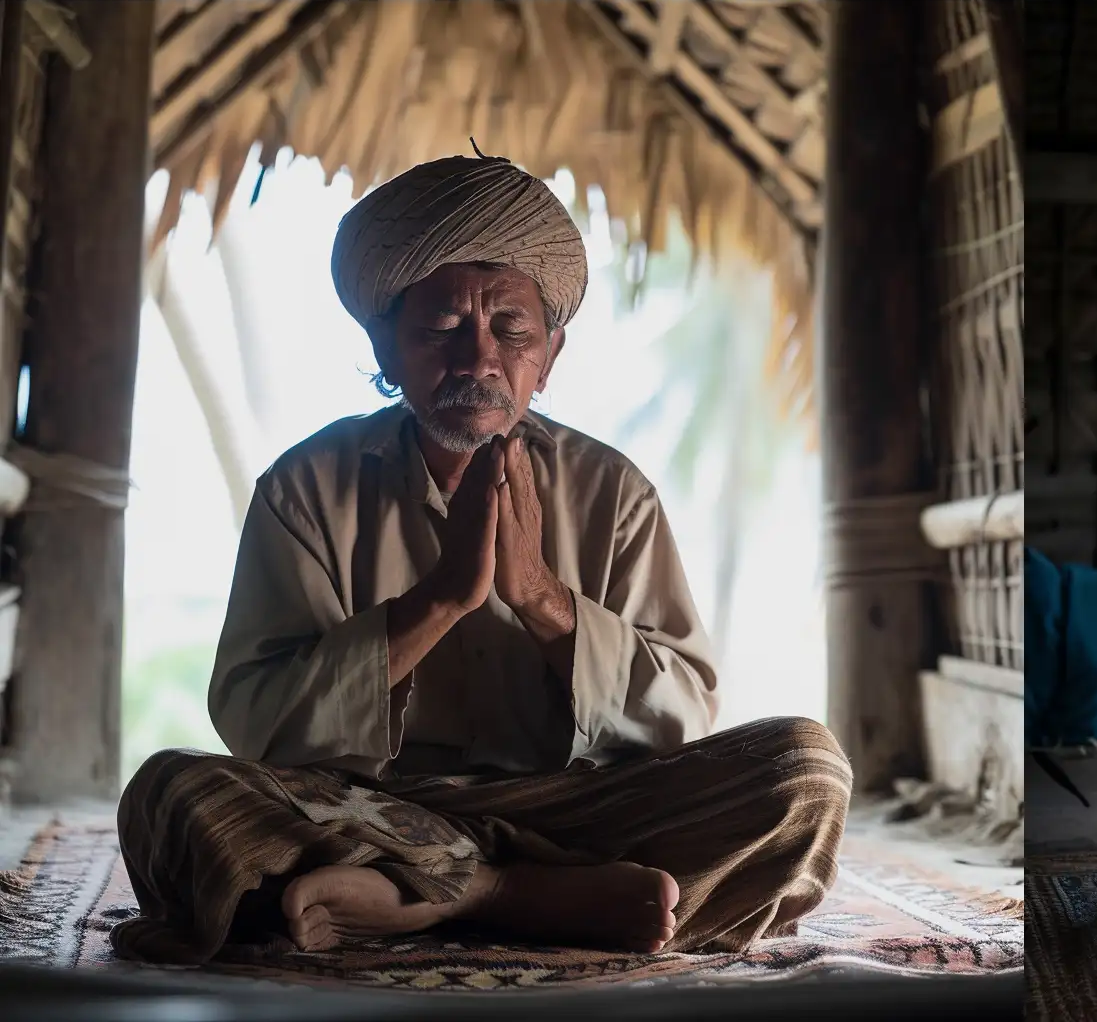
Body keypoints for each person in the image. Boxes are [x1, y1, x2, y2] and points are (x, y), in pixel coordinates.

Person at [114, 154, 851, 964]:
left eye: (511, 329)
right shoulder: (306, 488)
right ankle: (515, 897)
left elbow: (680, 716)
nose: (477, 360)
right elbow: (257, 722)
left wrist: (541, 598)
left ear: (550, 353)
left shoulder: (612, 492)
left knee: (805, 776)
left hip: (574, 813)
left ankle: (423, 899)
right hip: (370, 809)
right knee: (173, 797)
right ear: (386, 346)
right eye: (439, 329)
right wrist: (439, 599)